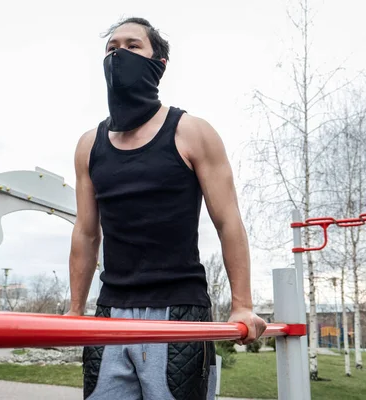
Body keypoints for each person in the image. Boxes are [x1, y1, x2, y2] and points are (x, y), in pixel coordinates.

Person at [67, 17, 267, 400]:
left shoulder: (191, 132)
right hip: (110, 313)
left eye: (133, 45)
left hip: (179, 310)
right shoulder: (89, 145)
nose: (119, 54)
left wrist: (242, 306)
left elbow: (228, 222)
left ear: (158, 64)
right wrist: (76, 310)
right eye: (112, 48)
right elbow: (87, 232)